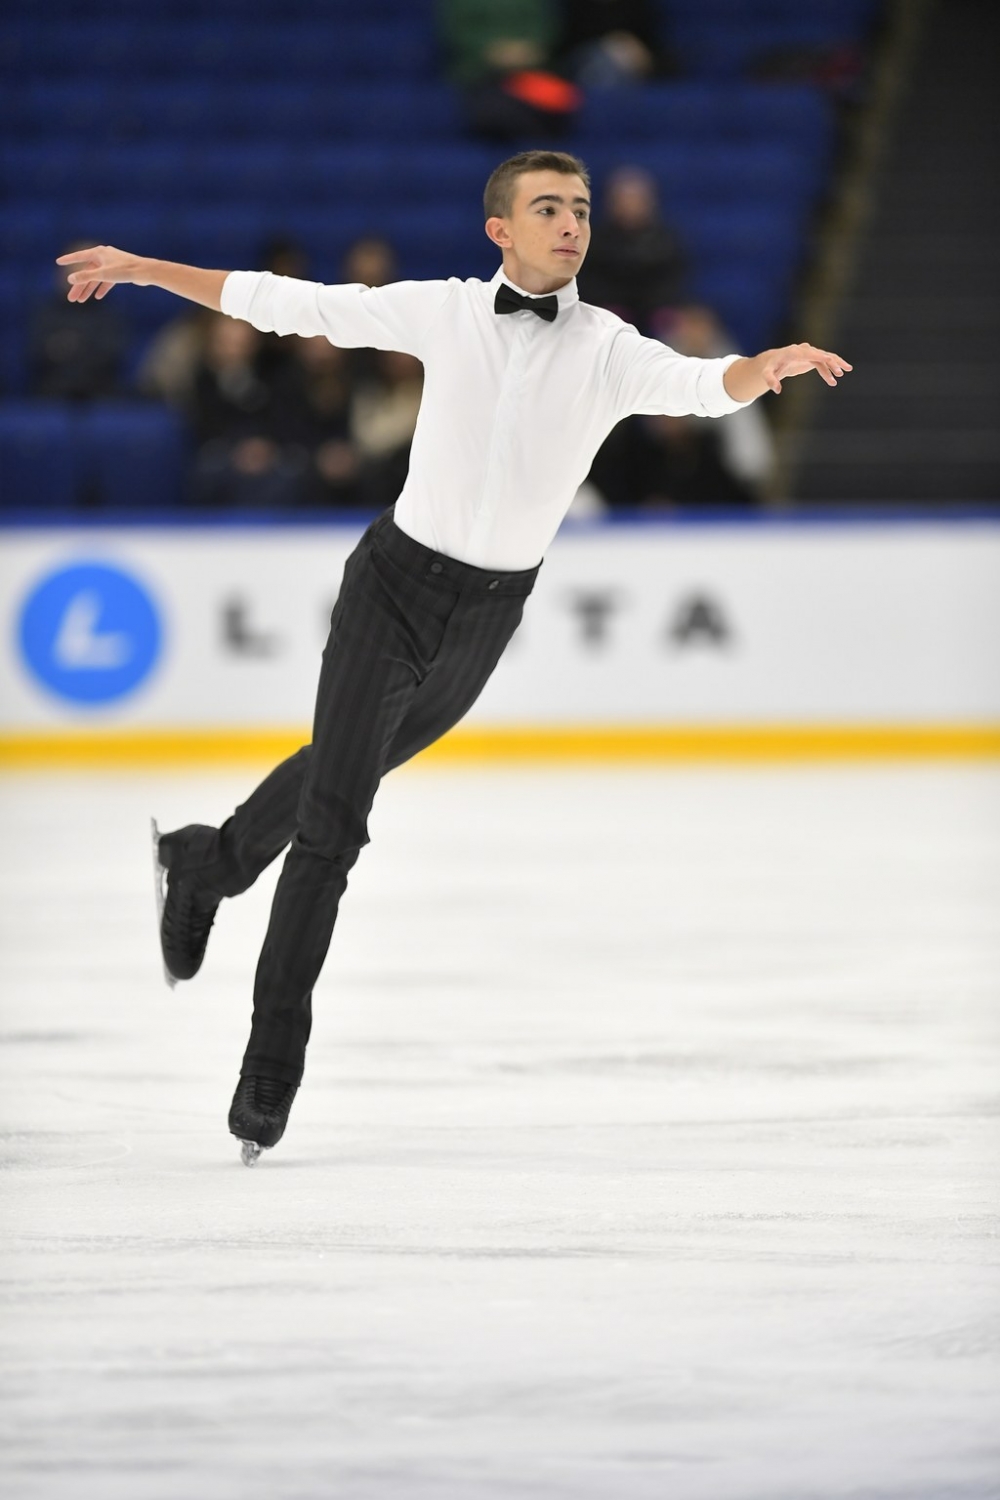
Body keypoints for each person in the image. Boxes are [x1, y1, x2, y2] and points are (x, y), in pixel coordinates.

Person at [57, 149, 851, 1164]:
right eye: (549, 208)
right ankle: (266, 1080)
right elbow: (290, 304)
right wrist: (149, 268)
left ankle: (205, 862)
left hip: (486, 617)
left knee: (338, 770)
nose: (571, 224)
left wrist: (757, 371)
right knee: (336, 828)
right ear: (500, 231)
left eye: (581, 209)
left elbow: (698, 388)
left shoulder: (605, 346)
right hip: (391, 586)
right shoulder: (441, 311)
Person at [578, 165, 687, 336]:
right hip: (608, 311)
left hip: (655, 310)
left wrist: (660, 306)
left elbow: (675, 279)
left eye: (637, 199)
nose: (631, 205)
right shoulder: (595, 240)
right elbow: (589, 280)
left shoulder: (666, 239)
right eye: (625, 199)